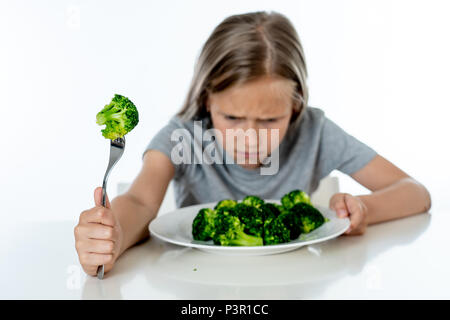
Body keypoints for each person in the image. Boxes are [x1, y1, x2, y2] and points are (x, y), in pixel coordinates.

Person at [74, 11, 431, 276]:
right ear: (207, 100)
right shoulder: (183, 134)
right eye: (231, 118)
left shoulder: (316, 131)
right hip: (198, 284)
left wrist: (365, 208)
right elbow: (138, 200)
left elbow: (415, 192)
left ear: (295, 107)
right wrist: (113, 237)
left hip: (295, 280)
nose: (250, 137)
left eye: (269, 121)